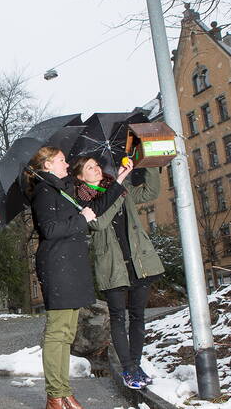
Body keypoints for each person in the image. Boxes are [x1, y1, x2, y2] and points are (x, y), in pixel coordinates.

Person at [23, 147, 132, 409]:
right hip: (57, 267)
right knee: (57, 333)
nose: (67, 164)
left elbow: (95, 208)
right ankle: (55, 396)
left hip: (70, 266)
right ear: (47, 165)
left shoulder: (61, 190)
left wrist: (118, 181)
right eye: (61, 160)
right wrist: (81, 218)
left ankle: (64, 392)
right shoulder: (44, 192)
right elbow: (50, 229)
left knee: (67, 332)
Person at [70, 156, 165, 390]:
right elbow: (99, 222)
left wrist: (150, 163)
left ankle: (136, 364)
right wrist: (117, 186)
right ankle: (128, 368)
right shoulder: (81, 200)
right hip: (112, 266)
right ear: (81, 177)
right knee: (118, 318)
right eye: (90, 168)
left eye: (97, 165)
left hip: (138, 261)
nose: (97, 169)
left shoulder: (119, 187)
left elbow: (150, 192)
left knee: (138, 316)